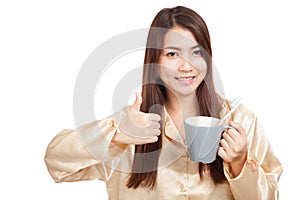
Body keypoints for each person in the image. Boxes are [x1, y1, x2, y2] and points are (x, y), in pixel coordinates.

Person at [44, 6, 282, 199]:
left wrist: (240, 164)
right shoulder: (133, 124)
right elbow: (56, 160)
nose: (186, 66)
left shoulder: (239, 121)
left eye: (196, 52)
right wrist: (115, 135)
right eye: (172, 54)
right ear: (154, 61)